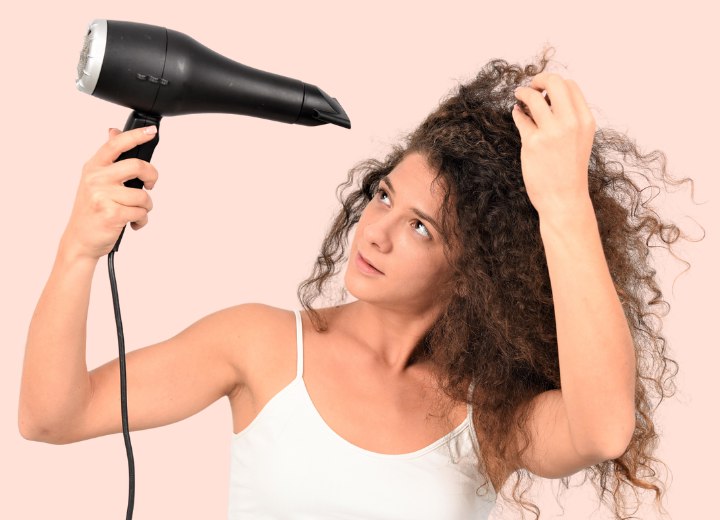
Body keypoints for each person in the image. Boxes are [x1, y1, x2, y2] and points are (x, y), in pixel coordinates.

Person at [19, 48, 693, 519]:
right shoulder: (262, 345)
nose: (375, 232)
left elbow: (603, 429)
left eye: (422, 227)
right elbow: (52, 417)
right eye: (382, 196)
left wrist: (563, 202)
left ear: (473, 276)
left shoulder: (486, 417)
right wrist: (79, 247)